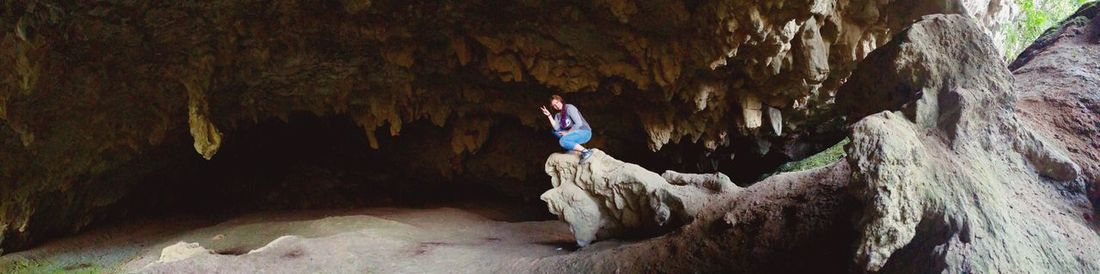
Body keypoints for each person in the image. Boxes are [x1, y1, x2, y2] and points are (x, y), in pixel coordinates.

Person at [540, 95, 595, 164]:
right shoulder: (557, 115)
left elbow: (578, 123)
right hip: (574, 133)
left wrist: (567, 133)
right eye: (554, 105)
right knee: (554, 131)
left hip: (584, 132)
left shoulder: (569, 108)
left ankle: (586, 151)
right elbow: (556, 128)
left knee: (562, 141)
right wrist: (549, 115)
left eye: (557, 102)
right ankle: (571, 145)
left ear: (560, 100)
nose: (556, 106)